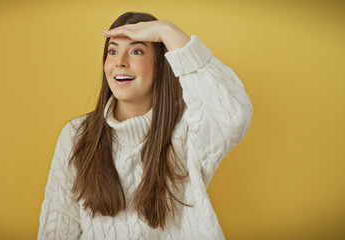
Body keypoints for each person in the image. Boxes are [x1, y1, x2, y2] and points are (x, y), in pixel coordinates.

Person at [37, 12, 253, 240]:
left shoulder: (187, 130)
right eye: (113, 51)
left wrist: (167, 31)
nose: (120, 62)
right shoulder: (76, 135)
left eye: (136, 51)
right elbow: (58, 226)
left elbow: (233, 114)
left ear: (161, 66)